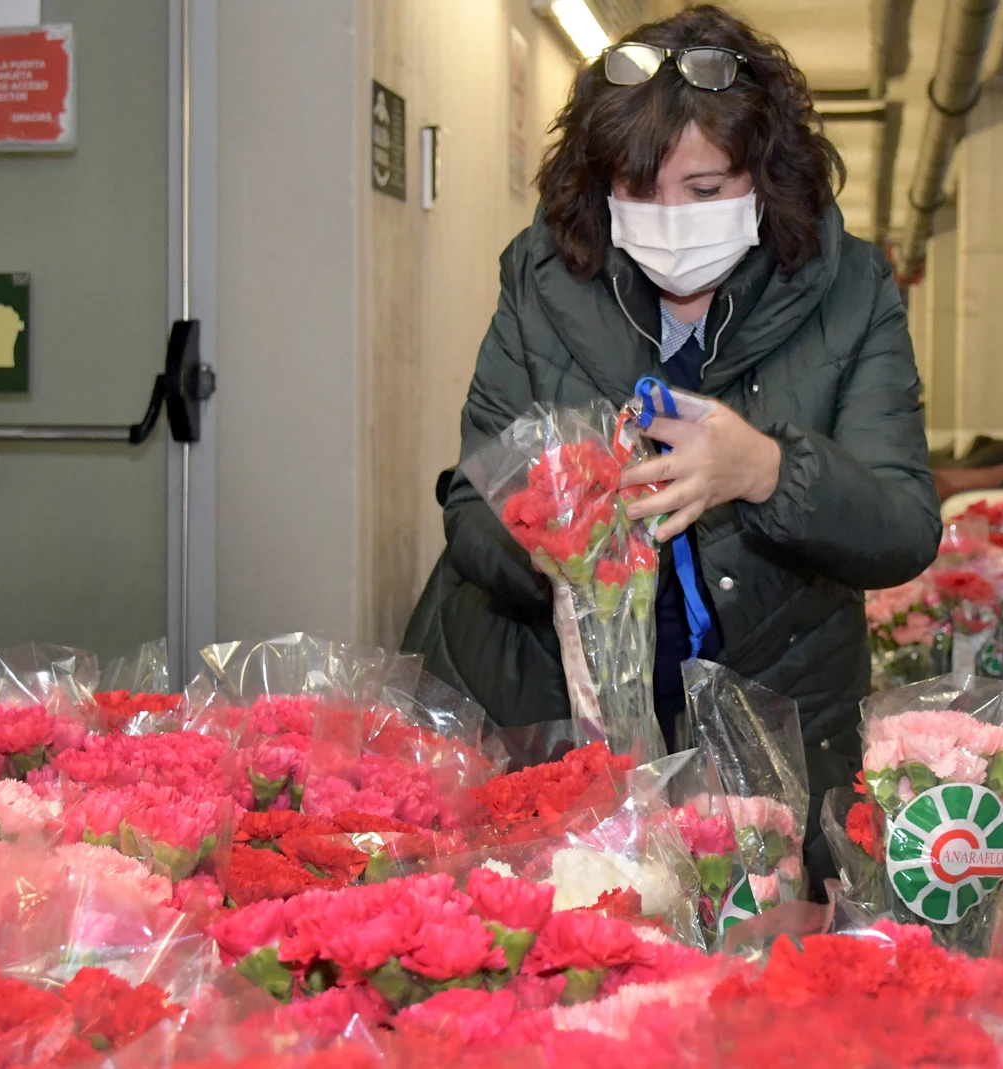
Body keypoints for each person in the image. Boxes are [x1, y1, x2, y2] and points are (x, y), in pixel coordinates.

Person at [402, 6, 941, 889]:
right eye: (638, 189)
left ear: (769, 182)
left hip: (772, 716)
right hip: (543, 709)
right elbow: (471, 508)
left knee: (750, 974)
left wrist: (765, 470)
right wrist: (562, 535)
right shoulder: (543, 278)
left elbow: (904, 526)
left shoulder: (852, 290)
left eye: (704, 191)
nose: (669, 218)